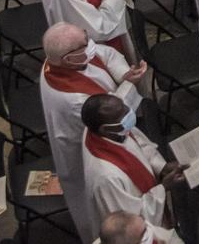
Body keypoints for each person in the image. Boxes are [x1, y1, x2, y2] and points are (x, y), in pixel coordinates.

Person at [39, 22, 145, 235]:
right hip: (90, 146)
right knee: (103, 204)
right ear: (68, 59)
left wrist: (124, 73)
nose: (90, 46)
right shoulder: (76, 99)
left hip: (100, 125)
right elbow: (111, 112)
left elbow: (105, 54)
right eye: (84, 44)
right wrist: (129, 85)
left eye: (86, 38)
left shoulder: (65, 59)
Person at [78, 92, 182, 235]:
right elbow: (128, 222)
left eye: (124, 107)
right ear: (105, 129)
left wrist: (161, 166)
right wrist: (163, 188)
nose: (128, 112)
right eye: (122, 114)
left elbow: (139, 144)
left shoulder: (113, 130)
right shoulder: (106, 177)